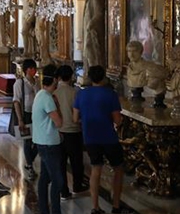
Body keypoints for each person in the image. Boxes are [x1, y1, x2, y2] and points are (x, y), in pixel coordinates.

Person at [73, 66, 130, 214]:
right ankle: (116, 205)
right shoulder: (110, 94)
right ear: (104, 77)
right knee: (118, 169)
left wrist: (86, 121)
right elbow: (117, 120)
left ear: (90, 78)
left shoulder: (81, 94)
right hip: (109, 138)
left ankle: (95, 207)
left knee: (95, 169)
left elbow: (75, 118)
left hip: (90, 137)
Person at [32, 64, 64, 214]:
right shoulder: (48, 98)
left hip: (41, 141)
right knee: (58, 180)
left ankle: (44, 209)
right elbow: (59, 122)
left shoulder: (40, 94)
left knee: (45, 178)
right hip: (49, 143)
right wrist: (57, 105)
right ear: (55, 81)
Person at [55, 65, 86, 199]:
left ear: (59, 77)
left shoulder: (54, 93)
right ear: (71, 77)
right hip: (74, 130)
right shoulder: (75, 92)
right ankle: (77, 185)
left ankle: (63, 190)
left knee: (61, 163)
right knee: (76, 161)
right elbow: (79, 112)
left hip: (59, 131)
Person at [13, 58, 39, 179]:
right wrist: (20, 119)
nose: (34, 71)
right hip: (26, 114)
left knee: (38, 140)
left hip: (37, 114)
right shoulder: (20, 83)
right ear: (27, 70)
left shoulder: (37, 82)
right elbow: (17, 101)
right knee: (28, 141)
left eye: (35, 68)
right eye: (32, 68)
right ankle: (29, 165)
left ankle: (29, 160)